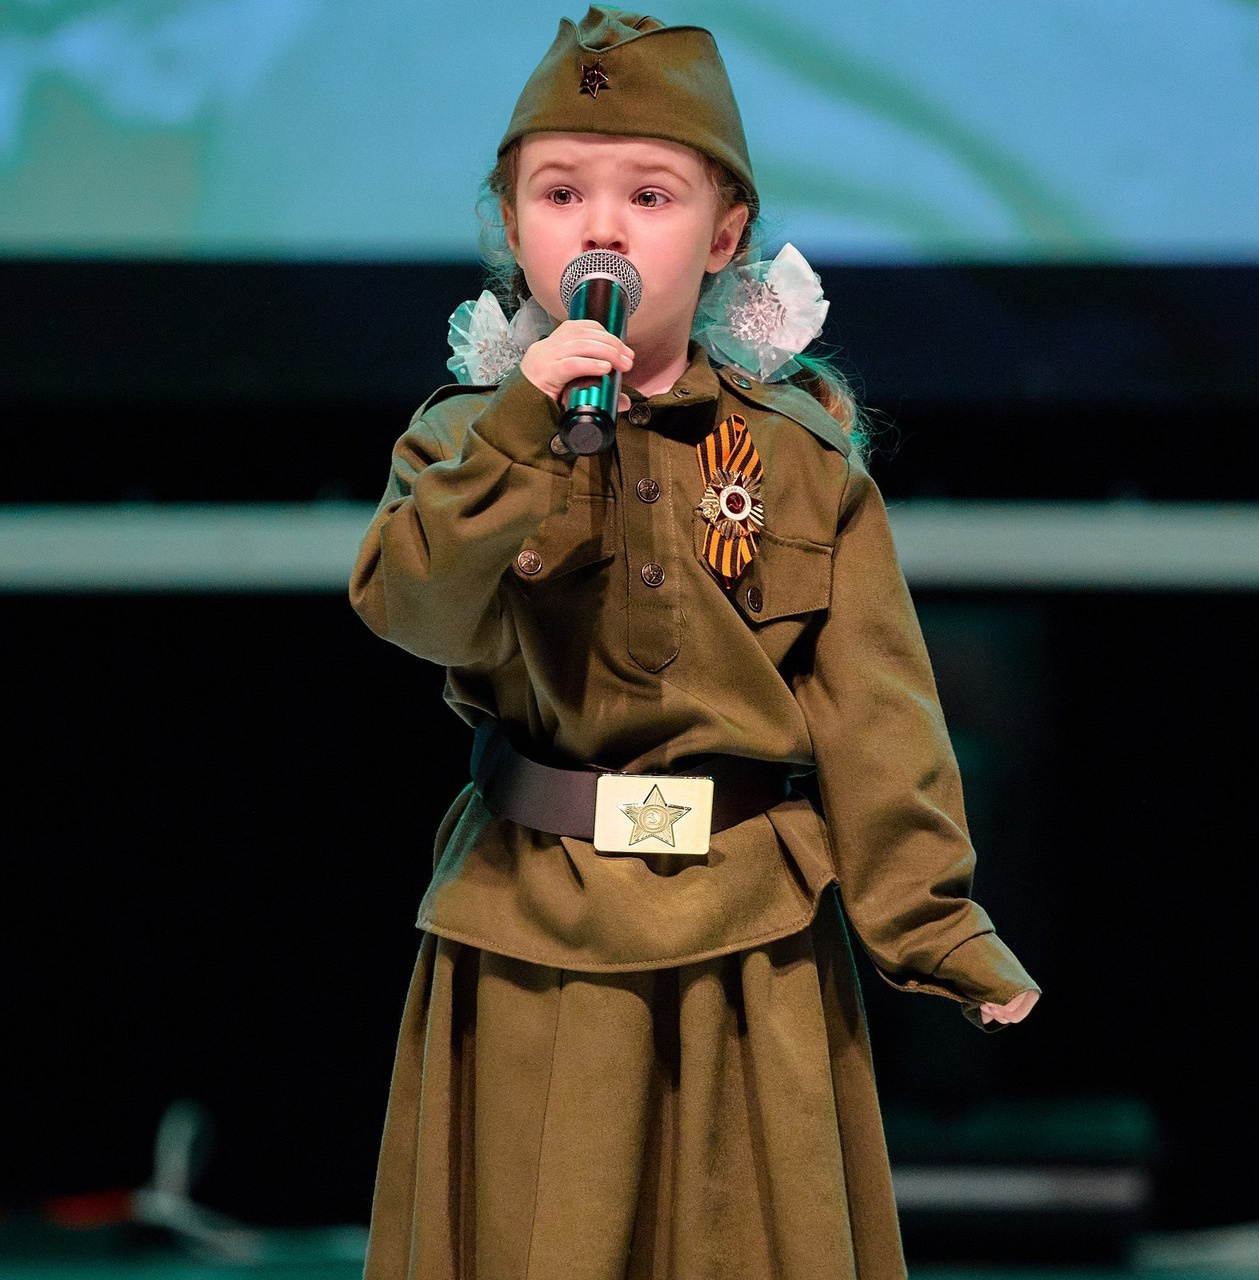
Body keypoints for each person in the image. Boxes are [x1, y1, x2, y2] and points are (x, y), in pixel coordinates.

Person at [350, 8, 1040, 1279]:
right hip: (530, 925)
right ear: (511, 226)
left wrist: (932, 924)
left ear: (723, 234)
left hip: (746, 934)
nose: (599, 228)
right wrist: (521, 428)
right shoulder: (466, 440)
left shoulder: (795, 456)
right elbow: (414, 609)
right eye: (558, 192)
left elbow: (873, 711)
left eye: (648, 194)